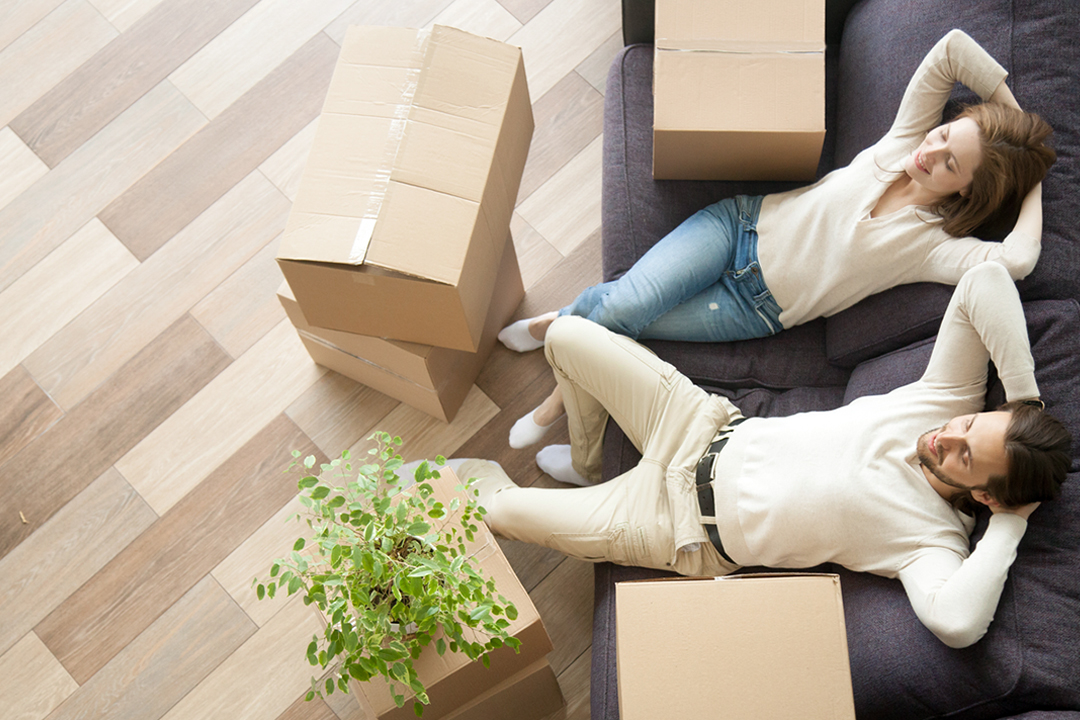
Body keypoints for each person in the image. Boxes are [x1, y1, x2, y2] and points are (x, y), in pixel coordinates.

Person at [497, 29, 1057, 458]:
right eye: (942, 136)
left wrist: (1030, 183)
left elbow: (1017, 259)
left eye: (949, 163)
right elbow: (953, 50)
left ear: (968, 190)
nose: (929, 153)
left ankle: (558, 328)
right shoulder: (904, 140)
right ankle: (555, 405)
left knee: (621, 318)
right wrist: (1005, 111)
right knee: (624, 307)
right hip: (733, 229)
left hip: (751, 309)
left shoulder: (935, 247)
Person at [459, 262, 1071, 648]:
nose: (946, 437)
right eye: (971, 425)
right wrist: (1024, 399)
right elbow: (984, 281)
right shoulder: (944, 401)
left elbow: (959, 625)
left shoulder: (932, 544)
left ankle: (502, 488)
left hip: (677, 528)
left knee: (500, 513)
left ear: (985, 495)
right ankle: (591, 464)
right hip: (697, 425)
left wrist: (1011, 523)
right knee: (565, 335)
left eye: (965, 457)